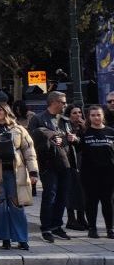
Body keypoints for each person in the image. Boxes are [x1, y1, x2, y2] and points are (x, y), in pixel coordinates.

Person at [0, 102, 37, 250]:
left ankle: (22, 238)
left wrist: (33, 172)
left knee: (16, 205)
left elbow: (29, 151)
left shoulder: (19, 130)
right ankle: (5, 238)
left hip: (15, 172)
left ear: (6, 112)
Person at [27, 91, 78, 242]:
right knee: (50, 195)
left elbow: (69, 141)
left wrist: (72, 139)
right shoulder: (38, 119)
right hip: (48, 163)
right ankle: (46, 227)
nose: (65, 104)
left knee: (62, 196)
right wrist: (48, 139)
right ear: (54, 102)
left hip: (65, 163)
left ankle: (57, 226)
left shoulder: (64, 120)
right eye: (63, 102)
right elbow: (31, 140)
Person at [78, 104, 114, 238]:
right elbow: (78, 149)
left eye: (98, 114)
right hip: (89, 174)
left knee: (108, 202)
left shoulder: (111, 132)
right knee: (91, 202)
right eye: (93, 115)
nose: (96, 117)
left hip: (109, 173)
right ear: (89, 117)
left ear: (103, 116)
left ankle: (110, 228)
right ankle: (92, 228)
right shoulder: (84, 133)